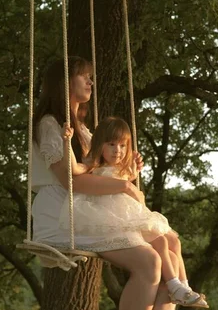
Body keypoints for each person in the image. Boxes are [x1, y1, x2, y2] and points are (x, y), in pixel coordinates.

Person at [30, 56, 175, 310]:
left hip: (89, 208)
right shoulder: (50, 125)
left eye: (91, 76)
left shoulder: (84, 131)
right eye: (83, 75)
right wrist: (125, 186)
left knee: (169, 250)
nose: (91, 81)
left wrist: (127, 171)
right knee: (150, 262)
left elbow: (98, 174)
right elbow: (71, 182)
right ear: (64, 82)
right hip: (62, 213)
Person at [60, 117, 209, 308]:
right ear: (100, 145)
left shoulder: (120, 169)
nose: (118, 150)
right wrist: (66, 143)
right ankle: (175, 286)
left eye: (123, 145)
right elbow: (74, 169)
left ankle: (183, 287)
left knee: (173, 241)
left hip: (127, 214)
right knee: (161, 241)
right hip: (109, 216)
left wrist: (134, 172)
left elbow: (126, 179)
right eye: (111, 144)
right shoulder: (93, 163)